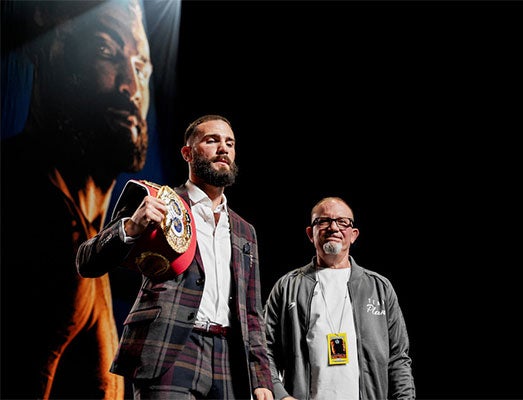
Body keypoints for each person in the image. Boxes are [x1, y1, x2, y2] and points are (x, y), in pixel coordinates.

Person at [0, 1, 153, 398]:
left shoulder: (81, 230)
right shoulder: (44, 220)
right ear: (50, 51)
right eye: (105, 51)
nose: (131, 88)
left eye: (141, 69)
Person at [76, 114, 274, 400]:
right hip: (170, 348)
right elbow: (86, 262)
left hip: (230, 360)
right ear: (188, 153)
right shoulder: (157, 200)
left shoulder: (246, 231)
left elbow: (252, 312)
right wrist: (131, 227)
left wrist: (261, 378)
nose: (223, 149)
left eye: (229, 143)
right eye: (212, 140)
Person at [264, 197, 416, 400]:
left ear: (353, 235)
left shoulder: (380, 288)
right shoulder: (287, 286)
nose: (333, 227)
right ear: (311, 233)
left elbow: (398, 358)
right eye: (323, 221)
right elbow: (263, 348)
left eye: (343, 222)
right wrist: (280, 394)